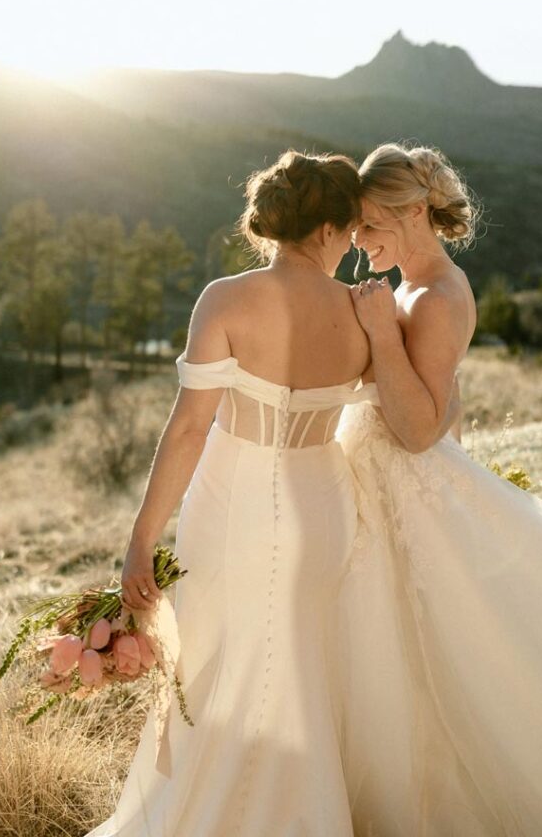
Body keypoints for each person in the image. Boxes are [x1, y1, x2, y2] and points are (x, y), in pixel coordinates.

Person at [336, 141, 542, 836]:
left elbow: (415, 431)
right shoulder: (405, 289)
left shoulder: (437, 297)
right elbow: (445, 414)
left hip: (407, 488)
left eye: (366, 224)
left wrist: (380, 336)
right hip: (386, 492)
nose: (356, 240)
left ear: (411, 211)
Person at [85, 149, 380, 837]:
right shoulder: (364, 314)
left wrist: (139, 542)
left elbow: (188, 431)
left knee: (216, 660)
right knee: (303, 664)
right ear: (329, 230)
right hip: (324, 506)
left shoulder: (224, 299)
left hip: (234, 506)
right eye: (350, 233)